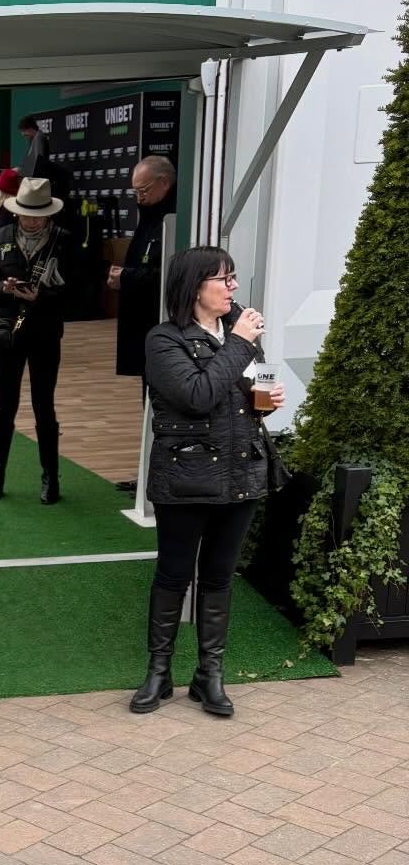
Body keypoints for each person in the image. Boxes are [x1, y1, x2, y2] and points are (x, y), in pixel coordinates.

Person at [131, 250, 283, 720]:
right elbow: (197, 396)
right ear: (195, 286)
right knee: (174, 573)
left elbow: (248, 393)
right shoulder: (164, 340)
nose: (233, 286)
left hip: (240, 473)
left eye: (234, 277)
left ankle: (209, 674)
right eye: (224, 278)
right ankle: (158, 672)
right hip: (186, 477)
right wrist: (239, 342)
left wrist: (265, 399)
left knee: (219, 576)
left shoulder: (242, 334)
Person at [0, 176, 68, 505]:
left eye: (38, 215)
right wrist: (5, 288)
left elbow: (79, 293)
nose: (31, 221)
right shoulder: (2, 236)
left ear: (49, 214)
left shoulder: (62, 241)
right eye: (26, 214)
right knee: (5, 406)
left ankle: (50, 478)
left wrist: (42, 296)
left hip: (45, 332)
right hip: (8, 332)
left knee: (44, 406)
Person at [110, 154, 177, 390]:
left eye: (144, 190)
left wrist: (127, 277)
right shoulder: (148, 216)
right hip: (141, 323)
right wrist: (122, 277)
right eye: (135, 191)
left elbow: (169, 273)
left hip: (163, 319)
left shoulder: (173, 219)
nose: (139, 197)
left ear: (164, 182)